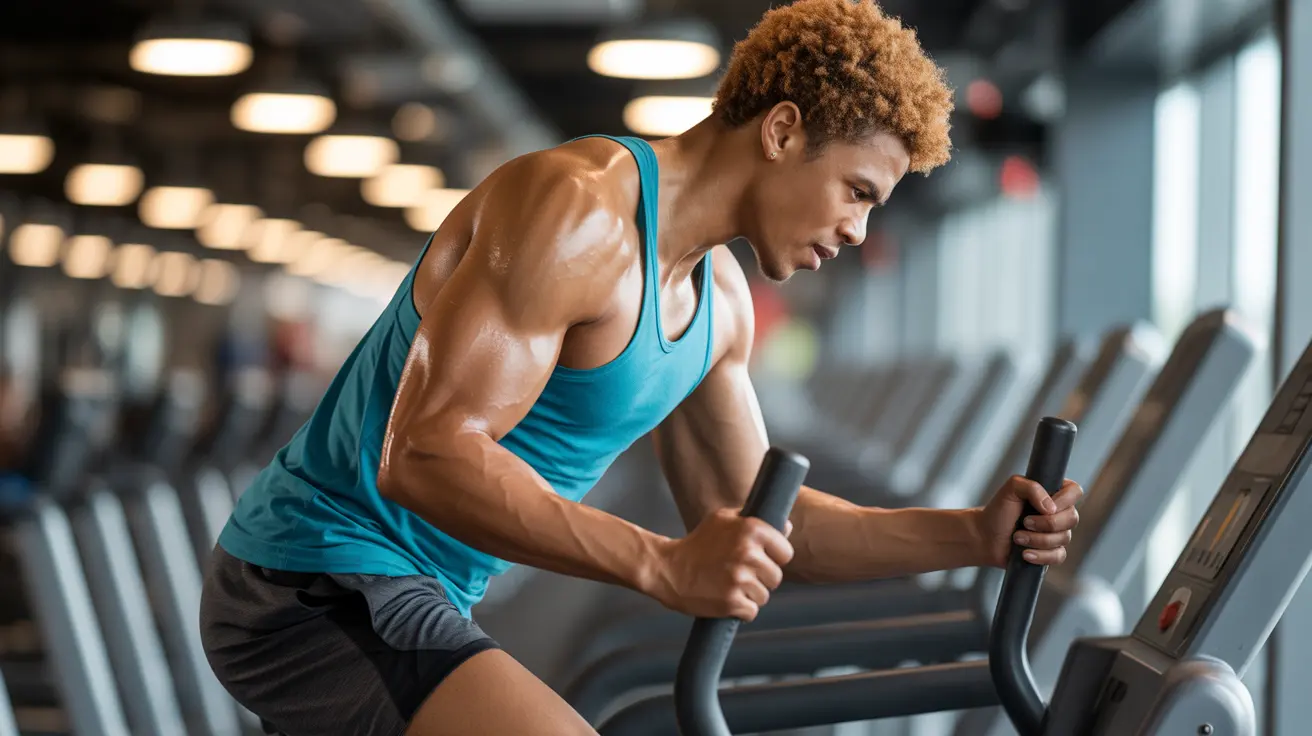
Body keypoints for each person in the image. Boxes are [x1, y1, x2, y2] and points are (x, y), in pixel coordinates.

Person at [199, 1, 1084, 734]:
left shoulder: (719, 305)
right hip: (311, 579)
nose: (858, 231)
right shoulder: (576, 212)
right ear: (782, 131)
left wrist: (973, 535)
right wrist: (660, 565)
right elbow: (426, 452)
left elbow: (766, 524)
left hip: (415, 593)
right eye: (857, 191)